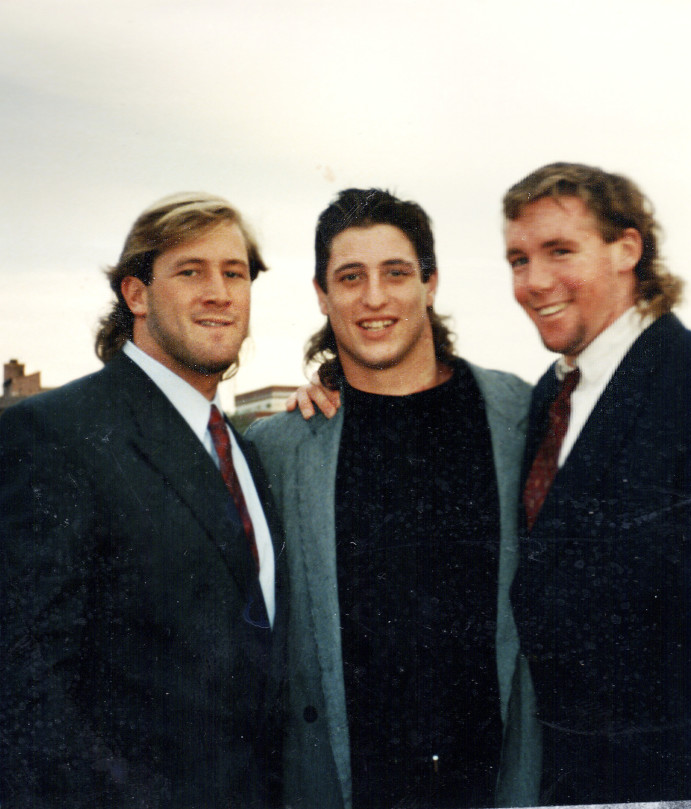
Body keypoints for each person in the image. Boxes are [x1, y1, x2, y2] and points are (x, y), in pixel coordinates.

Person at [503, 163, 691, 804]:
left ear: (627, 249)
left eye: (560, 251)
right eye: (517, 259)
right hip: (569, 779)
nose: (533, 282)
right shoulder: (549, 399)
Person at [0, 193, 285, 809]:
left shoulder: (243, 453)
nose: (220, 292)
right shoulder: (57, 432)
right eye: (191, 271)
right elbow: (20, 685)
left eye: (235, 272)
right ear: (136, 295)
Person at [249, 188, 537, 808]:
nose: (374, 298)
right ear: (323, 296)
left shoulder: (519, 414)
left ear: (430, 284)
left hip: (496, 785)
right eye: (351, 277)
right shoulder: (278, 450)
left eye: (396, 273)